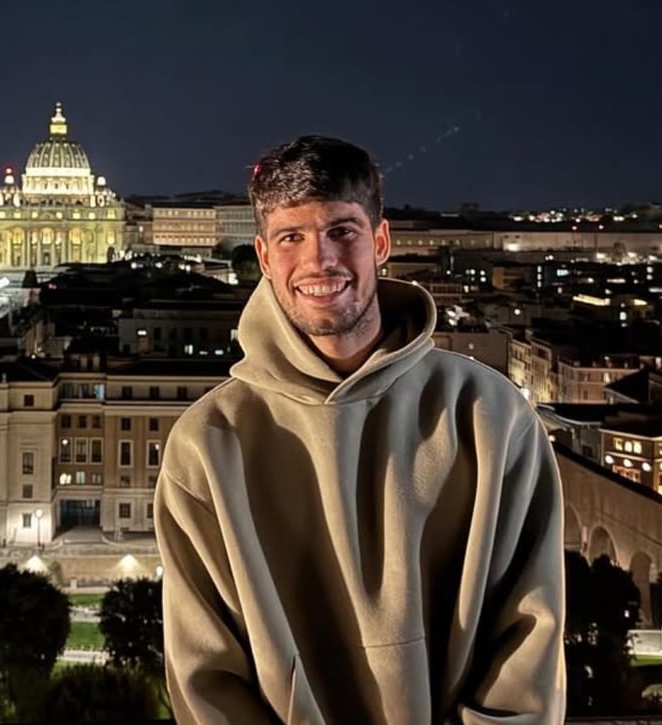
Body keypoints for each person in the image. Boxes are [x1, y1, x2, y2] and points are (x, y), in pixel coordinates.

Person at [155, 135, 566, 724]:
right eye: (291, 237)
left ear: (380, 241)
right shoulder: (205, 445)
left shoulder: (490, 416)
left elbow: (528, 647)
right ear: (264, 257)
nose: (319, 260)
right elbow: (208, 685)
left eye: (341, 231)